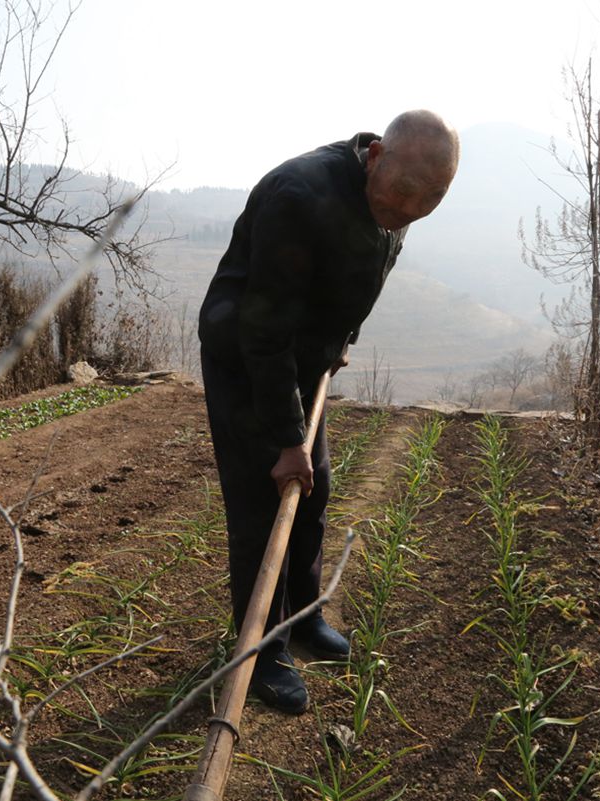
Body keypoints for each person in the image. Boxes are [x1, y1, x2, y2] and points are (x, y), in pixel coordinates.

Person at [197, 110, 459, 714]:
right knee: (267, 503)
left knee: (315, 492)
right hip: (248, 353)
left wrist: (343, 338)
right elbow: (263, 331)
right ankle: (260, 650)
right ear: (375, 157)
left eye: (422, 206)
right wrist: (287, 439)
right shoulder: (300, 195)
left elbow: (366, 265)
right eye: (397, 199)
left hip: (306, 349)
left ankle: (304, 617)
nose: (403, 213)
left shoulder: (401, 194)